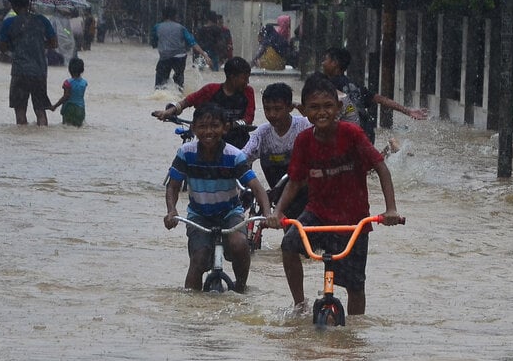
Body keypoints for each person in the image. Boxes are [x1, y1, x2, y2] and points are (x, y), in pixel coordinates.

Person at [266, 73, 402, 315]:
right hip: (317, 215)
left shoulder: (352, 134)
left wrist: (391, 209)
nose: (322, 113)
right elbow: (295, 182)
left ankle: (354, 335)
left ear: (339, 108)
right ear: (304, 111)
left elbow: (381, 167)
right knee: (289, 243)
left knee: (355, 285)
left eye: (328, 106)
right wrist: (277, 212)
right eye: (315, 108)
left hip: (354, 220)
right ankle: (299, 305)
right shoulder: (304, 140)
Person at [164, 103, 272, 293]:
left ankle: (240, 288)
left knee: (239, 245)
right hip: (199, 216)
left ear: (225, 128)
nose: (208, 132)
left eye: (214, 126)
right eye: (203, 127)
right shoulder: (186, 153)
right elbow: (172, 186)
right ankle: (189, 307)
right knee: (198, 258)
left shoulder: (234, 156)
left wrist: (267, 213)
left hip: (230, 213)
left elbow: (256, 187)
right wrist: (171, 211)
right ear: (194, 128)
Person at [321, 47, 428, 144]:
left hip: (349, 133)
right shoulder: (355, 86)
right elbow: (381, 99)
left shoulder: (326, 85)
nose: (322, 63)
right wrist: (408, 111)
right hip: (367, 132)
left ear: (334, 63)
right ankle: (389, 151)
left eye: (325, 60)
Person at [242, 82, 312, 218]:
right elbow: (242, 157)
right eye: (267, 109)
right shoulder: (262, 133)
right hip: (279, 194)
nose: (272, 114)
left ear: (290, 108)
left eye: (277, 109)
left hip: (307, 194)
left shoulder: (305, 126)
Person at [152, 57, 255, 149]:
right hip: (211, 143)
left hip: (240, 145)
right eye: (244, 78)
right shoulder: (211, 89)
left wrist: (233, 125)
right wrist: (170, 111)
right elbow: (188, 101)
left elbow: (249, 118)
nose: (247, 82)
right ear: (232, 77)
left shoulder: (248, 92)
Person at [0, 0, 58, 126]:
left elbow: (2, 48)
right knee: (41, 111)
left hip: (19, 71)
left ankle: (22, 143)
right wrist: (38, 43)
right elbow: (54, 43)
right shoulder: (42, 20)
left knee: (20, 113)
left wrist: (16, 45)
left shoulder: (8, 23)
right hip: (39, 72)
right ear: (28, 3)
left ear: (13, 5)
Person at [150, 6, 212, 91]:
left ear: (163, 16)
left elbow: (153, 42)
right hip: (180, 58)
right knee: (179, 80)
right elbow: (192, 43)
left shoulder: (157, 27)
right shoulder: (180, 28)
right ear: (174, 16)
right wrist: (204, 55)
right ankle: (179, 93)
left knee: (159, 85)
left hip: (164, 57)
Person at [51, 57, 88, 127]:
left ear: (69, 69)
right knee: (78, 129)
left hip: (69, 108)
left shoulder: (67, 83)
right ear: (82, 70)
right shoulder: (84, 83)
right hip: (81, 109)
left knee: (67, 128)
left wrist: (55, 106)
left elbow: (66, 97)